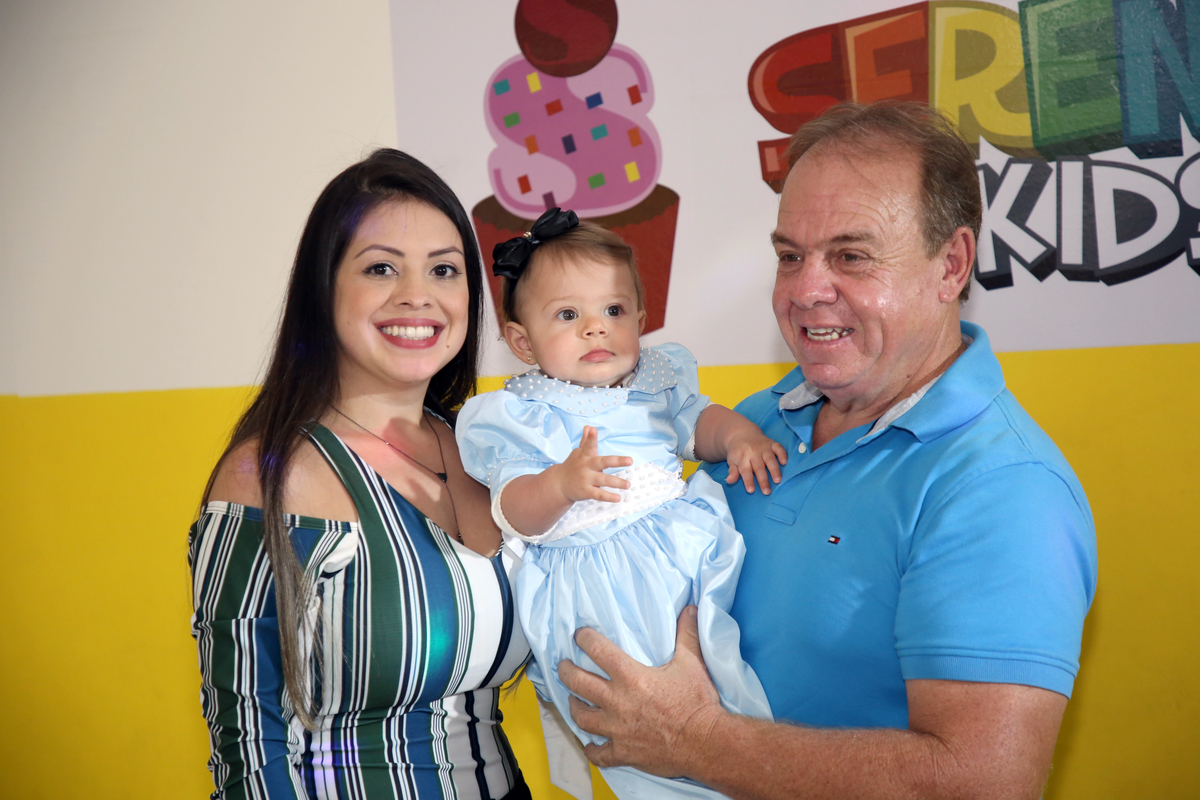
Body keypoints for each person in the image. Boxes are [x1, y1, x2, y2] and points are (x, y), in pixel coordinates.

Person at [558, 102, 1099, 800]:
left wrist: (697, 741)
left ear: (951, 265)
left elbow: (981, 783)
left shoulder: (1003, 488)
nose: (806, 291)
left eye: (851, 256)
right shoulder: (755, 423)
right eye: (790, 256)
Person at [189, 149, 532, 799]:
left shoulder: (491, 453)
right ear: (324, 290)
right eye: (381, 268)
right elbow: (248, 746)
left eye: (444, 269)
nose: (417, 296)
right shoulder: (270, 474)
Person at [454, 211, 784, 799]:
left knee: (727, 679)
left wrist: (738, 437)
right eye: (567, 315)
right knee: (635, 712)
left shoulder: (654, 383)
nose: (595, 329)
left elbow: (699, 423)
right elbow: (511, 509)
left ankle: (749, 767)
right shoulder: (523, 415)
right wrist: (559, 485)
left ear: (640, 319)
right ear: (523, 341)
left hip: (682, 557)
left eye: (613, 310)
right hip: (595, 583)